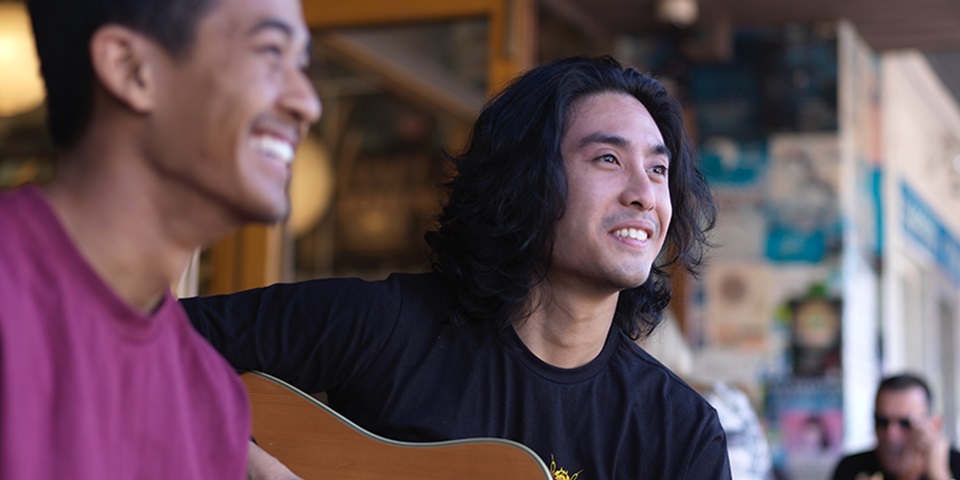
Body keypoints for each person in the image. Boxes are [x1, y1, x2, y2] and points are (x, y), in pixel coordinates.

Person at [184, 55, 731, 479]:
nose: (644, 194)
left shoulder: (678, 432)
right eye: (608, 159)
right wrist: (246, 462)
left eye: (658, 170)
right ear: (528, 182)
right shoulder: (384, 328)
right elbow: (125, 337)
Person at [0, 0, 320, 477]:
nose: (308, 103)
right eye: (271, 52)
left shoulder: (212, 399)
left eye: (303, 64)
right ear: (132, 69)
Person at [831, 373, 960, 480]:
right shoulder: (851, 467)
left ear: (934, 425)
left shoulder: (955, 464)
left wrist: (939, 474)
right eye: (882, 422)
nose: (891, 435)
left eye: (905, 423)